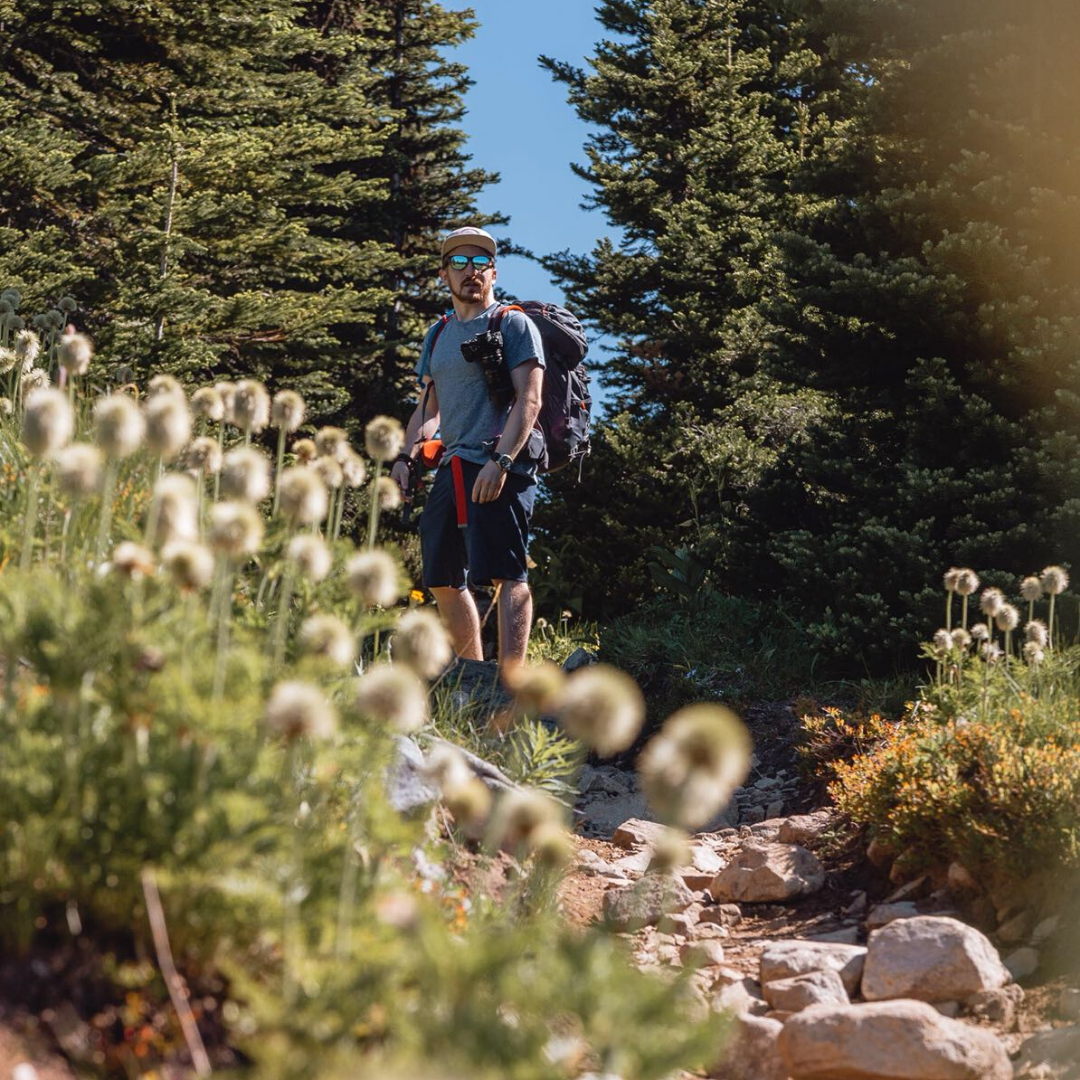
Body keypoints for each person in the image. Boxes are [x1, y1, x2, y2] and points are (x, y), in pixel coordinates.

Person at [391, 226, 545, 672]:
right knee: (440, 577)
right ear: (444, 275)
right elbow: (428, 406)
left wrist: (502, 461)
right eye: (459, 263)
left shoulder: (512, 323)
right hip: (453, 467)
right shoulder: (438, 334)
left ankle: (511, 682)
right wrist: (405, 457)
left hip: (500, 466)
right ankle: (474, 676)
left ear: (493, 273)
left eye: (480, 264)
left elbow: (529, 399)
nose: (470, 272)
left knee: (507, 574)